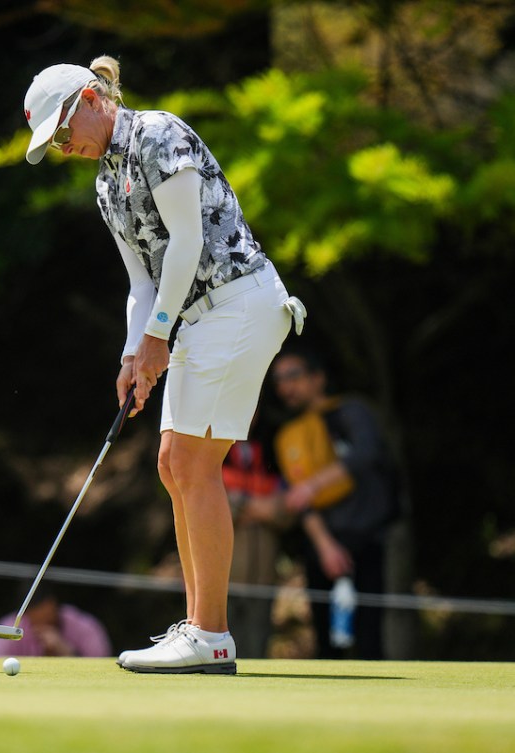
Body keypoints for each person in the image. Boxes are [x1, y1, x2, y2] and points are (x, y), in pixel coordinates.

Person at [22, 56, 305, 674]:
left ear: (93, 98)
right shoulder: (104, 182)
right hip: (200, 316)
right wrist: (134, 353)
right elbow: (140, 281)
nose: (66, 148)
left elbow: (188, 241)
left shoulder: (158, 133)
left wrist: (156, 340)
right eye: (57, 143)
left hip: (239, 302)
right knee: (173, 465)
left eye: (65, 132)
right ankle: (200, 629)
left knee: (188, 462)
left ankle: (210, 634)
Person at [271, 348, 399, 659]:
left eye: (294, 375)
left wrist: (314, 484)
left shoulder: (350, 411)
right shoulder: (289, 436)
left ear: (318, 378)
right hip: (323, 545)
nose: (286, 386)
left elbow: (365, 452)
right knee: (328, 643)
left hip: (368, 539)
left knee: (370, 637)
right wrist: (325, 545)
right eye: (279, 380)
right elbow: (298, 497)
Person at [223, 421, 291, 659]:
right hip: (222, 579)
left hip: (263, 579)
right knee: (221, 650)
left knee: (257, 652)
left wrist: (240, 503)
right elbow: (205, 508)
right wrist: (260, 507)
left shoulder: (272, 451)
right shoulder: (213, 452)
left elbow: (288, 510)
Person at [0, 588, 111, 657]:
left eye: (48, 617)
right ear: (25, 614)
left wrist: (69, 652)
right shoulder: (9, 628)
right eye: (37, 620)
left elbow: (100, 661)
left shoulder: (84, 627)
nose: (44, 623)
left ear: (54, 605)